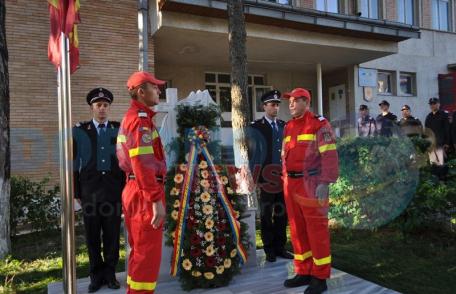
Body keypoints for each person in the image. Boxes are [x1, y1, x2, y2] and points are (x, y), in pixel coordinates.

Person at [281, 88, 339, 294]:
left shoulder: (319, 124)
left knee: (317, 231)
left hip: (312, 184)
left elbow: (330, 156)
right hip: (292, 185)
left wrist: (325, 183)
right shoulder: (288, 127)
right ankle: (303, 271)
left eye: (295, 100)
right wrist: (285, 181)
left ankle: (320, 276)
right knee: (297, 230)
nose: (290, 104)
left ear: (306, 102)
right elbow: (285, 157)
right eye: (289, 101)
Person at [116, 71, 167, 293]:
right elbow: (143, 163)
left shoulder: (135, 118)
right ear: (141, 91)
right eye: (154, 87)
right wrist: (155, 199)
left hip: (137, 189)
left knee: (139, 252)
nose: (159, 90)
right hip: (145, 192)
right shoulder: (140, 121)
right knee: (147, 254)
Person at [73, 87, 125, 292]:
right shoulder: (80, 131)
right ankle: (96, 275)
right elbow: (73, 164)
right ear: (92, 107)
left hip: (113, 192)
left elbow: (124, 162)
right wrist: (76, 193)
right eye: (98, 105)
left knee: (112, 236)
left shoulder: (118, 130)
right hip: (90, 194)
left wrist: (125, 189)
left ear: (108, 107)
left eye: (105, 105)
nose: (102, 109)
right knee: (92, 236)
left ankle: (110, 274)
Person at [247, 90, 293, 263]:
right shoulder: (256, 127)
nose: (275, 107)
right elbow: (253, 154)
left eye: (277, 104)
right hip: (265, 179)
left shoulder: (284, 126)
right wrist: (256, 177)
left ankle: (280, 247)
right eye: (272, 104)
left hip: (283, 178)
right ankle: (269, 249)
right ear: (264, 106)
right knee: (266, 214)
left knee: (282, 214)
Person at [425, 97, 450, 173]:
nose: (432, 106)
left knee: (441, 164)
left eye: (434, 104)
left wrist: (447, 143)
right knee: (433, 164)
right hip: (432, 144)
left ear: (439, 104)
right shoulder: (428, 117)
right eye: (431, 104)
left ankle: (443, 182)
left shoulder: (444, 115)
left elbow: (447, 129)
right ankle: (436, 182)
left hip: (441, 144)